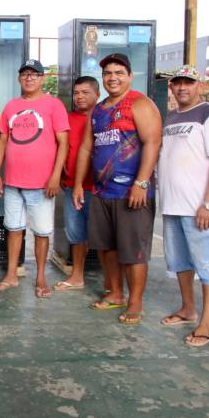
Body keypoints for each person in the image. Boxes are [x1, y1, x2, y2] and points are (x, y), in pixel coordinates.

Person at [72, 53, 162, 325]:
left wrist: (141, 183)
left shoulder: (141, 104)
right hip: (101, 192)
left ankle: (135, 303)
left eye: (119, 72)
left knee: (133, 251)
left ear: (130, 76)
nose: (113, 78)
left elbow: (153, 143)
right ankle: (116, 294)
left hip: (131, 193)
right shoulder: (98, 110)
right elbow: (87, 147)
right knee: (106, 247)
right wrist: (78, 183)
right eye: (108, 73)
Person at [157, 66, 209, 347]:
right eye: (177, 83)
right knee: (180, 263)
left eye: (188, 83)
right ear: (171, 87)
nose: (182, 88)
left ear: (198, 85)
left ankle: (207, 322)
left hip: (198, 207)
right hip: (172, 205)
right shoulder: (171, 117)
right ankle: (188, 308)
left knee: (207, 264)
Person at [0, 59, 69, 298]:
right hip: (13, 182)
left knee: (42, 232)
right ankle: (12, 275)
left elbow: (63, 142)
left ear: (43, 79)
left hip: (42, 184)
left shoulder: (54, 105)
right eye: (25, 74)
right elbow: (2, 140)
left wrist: (56, 175)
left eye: (34, 74)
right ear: (19, 78)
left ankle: (41, 277)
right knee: (14, 229)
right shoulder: (12, 106)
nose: (29, 78)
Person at [54, 76, 99, 292]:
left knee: (103, 235)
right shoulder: (67, 119)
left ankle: (113, 283)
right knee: (76, 233)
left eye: (85, 92)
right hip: (73, 187)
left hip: (101, 189)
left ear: (97, 94)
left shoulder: (105, 116)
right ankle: (77, 275)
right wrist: (61, 176)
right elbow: (61, 148)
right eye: (77, 93)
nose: (79, 97)